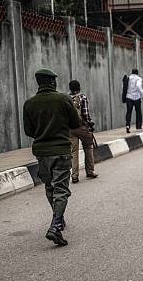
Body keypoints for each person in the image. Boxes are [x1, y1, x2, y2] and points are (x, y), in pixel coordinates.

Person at [23, 68, 81, 246]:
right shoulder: (63, 99)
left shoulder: (29, 103)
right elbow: (76, 123)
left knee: (49, 187)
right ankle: (55, 225)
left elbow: (28, 131)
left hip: (42, 153)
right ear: (52, 81)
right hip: (61, 150)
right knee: (61, 189)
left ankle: (58, 219)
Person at [69, 80, 98, 184]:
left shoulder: (66, 99)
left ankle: (74, 176)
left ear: (70, 89)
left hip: (70, 129)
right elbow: (85, 114)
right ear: (79, 88)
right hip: (82, 127)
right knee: (88, 148)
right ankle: (90, 171)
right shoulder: (83, 97)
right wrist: (90, 124)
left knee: (73, 152)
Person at [122, 69, 143, 133]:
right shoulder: (139, 79)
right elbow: (138, 86)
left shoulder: (128, 78)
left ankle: (127, 125)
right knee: (138, 112)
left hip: (129, 97)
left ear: (132, 73)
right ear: (137, 73)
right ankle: (138, 126)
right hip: (137, 97)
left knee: (129, 112)